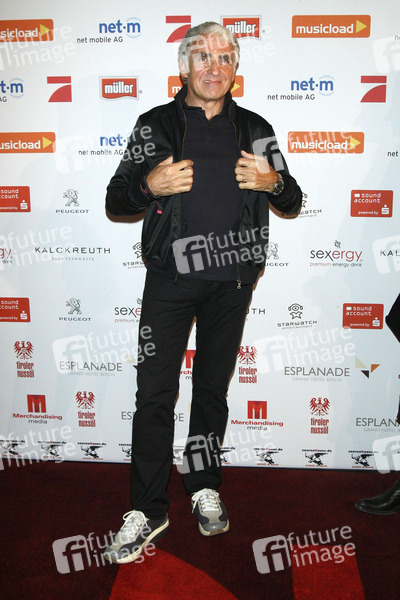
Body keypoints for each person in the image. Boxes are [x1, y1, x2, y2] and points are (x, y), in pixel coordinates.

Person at [104, 21, 302, 564]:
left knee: (211, 391)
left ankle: (202, 485)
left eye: (224, 58)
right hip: (169, 282)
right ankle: (148, 508)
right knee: (154, 395)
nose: (214, 68)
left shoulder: (256, 128)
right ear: (184, 67)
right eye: (203, 58)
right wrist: (148, 185)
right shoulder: (155, 125)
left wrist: (273, 182)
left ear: (235, 68)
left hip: (232, 284)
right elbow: (116, 199)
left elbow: (293, 199)